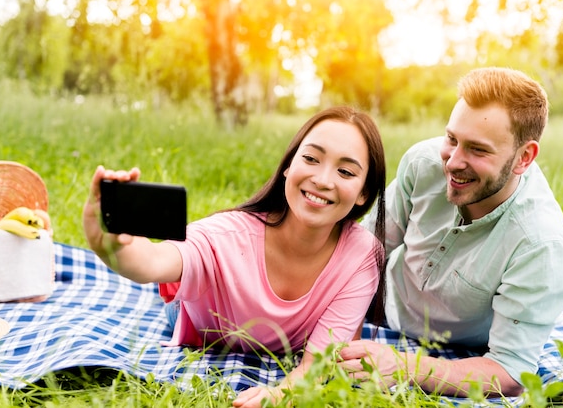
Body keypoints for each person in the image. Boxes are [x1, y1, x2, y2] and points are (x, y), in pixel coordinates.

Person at [82, 106, 387, 408]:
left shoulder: (362, 254)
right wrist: (112, 246)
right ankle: (182, 292)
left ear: (364, 193)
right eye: (310, 158)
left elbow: (315, 367)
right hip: (200, 319)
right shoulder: (226, 235)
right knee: (175, 297)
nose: (322, 179)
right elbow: (152, 262)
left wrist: (282, 394)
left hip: (285, 337)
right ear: (288, 167)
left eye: (345, 171)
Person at [339, 67, 563, 398]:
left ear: (523, 157)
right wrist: (342, 325)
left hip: (461, 349)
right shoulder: (424, 163)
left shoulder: (542, 247)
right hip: (383, 310)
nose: (453, 162)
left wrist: (404, 366)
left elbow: (510, 372)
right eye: (452, 138)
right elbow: (369, 251)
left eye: (477, 150)